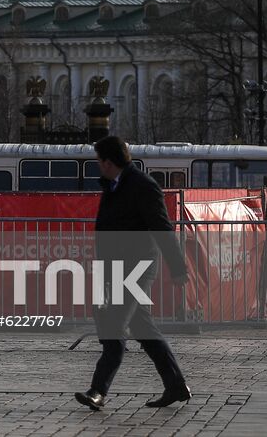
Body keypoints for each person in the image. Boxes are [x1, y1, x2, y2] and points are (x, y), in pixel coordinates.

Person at [75, 135, 191, 412]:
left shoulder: (142, 186)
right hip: (116, 267)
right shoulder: (113, 186)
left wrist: (177, 268)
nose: (98, 166)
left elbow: (161, 227)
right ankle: (175, 386)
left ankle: (98, 391)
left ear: (108, 161)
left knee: (114, 327)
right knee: (142, 328)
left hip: (138, 267)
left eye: (99, 161)